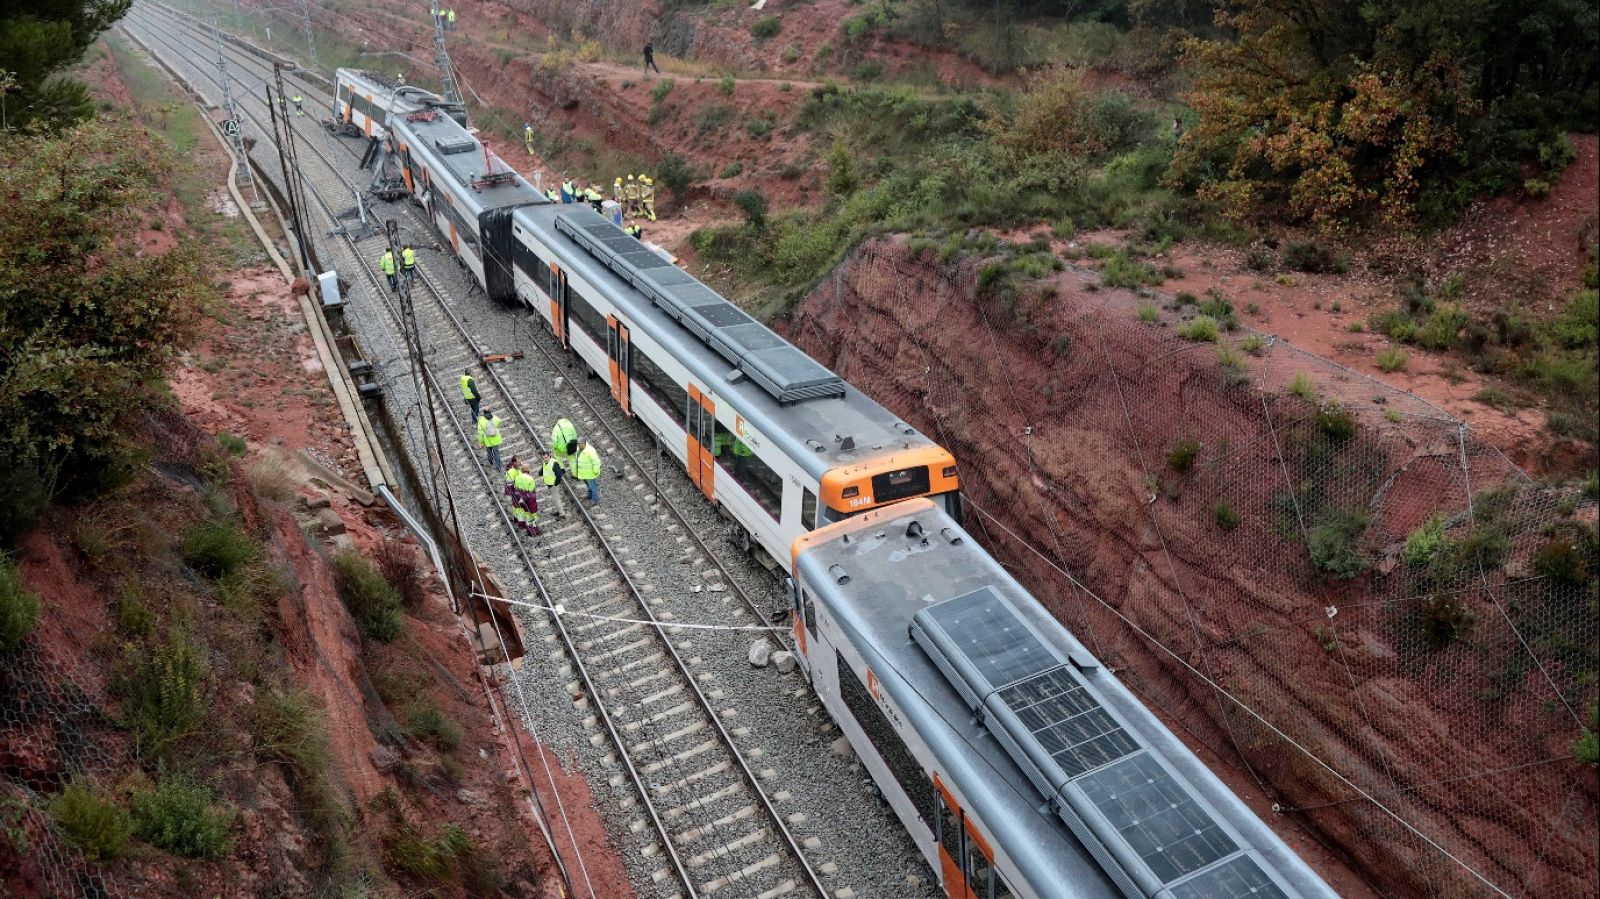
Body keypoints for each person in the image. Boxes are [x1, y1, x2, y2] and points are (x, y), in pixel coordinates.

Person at [513, 465, 541, 536]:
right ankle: (535, 531)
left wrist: (521, 498)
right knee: (533, 514)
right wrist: (526, 498)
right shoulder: (530, 479)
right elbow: (531, 492)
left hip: (522, 500)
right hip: (530, 501)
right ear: (528, 470)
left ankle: (529, 531)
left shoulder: (517, 478)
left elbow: (516, 490)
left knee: (526, 514)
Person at [573, 440, 602, 506]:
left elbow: (596, 461)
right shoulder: (578, 449)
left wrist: (595, 471)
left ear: (584, 444)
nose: (578, 445)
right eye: (578, 444)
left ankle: (595, 499)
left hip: (590, 473)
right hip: (583, 473)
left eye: (580, 444)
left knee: (593, 486)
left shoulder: (590, 451)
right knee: (588, 485)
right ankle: (590, 495)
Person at [539, 452, 565, 518]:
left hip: (553, 484)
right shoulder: (545, 462)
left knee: (556, 499)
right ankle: (559, 511)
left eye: (546, 457)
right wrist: (540, 472)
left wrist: (555, 483)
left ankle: (562, 514)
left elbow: (559, 474)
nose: (545, 459)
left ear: (549, 456)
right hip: (549, 484)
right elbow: (544, 469)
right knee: (554, 499)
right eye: (543, 458)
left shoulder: (554, 463)